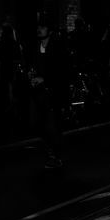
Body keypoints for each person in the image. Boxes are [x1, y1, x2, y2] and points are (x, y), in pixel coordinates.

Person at [26, 18, 72, 167]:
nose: (39, 30)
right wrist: (31, 75)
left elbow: (62, 71)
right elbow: (32, 65)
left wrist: (44, 78)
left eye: (43, 27)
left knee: (52, 125)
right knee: (36, 123)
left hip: (53, 93)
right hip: (38, 93)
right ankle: (50, 150)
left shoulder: (57, 47)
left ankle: (56, 155)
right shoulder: (35, 47)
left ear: (49, 30)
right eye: (38, 27)